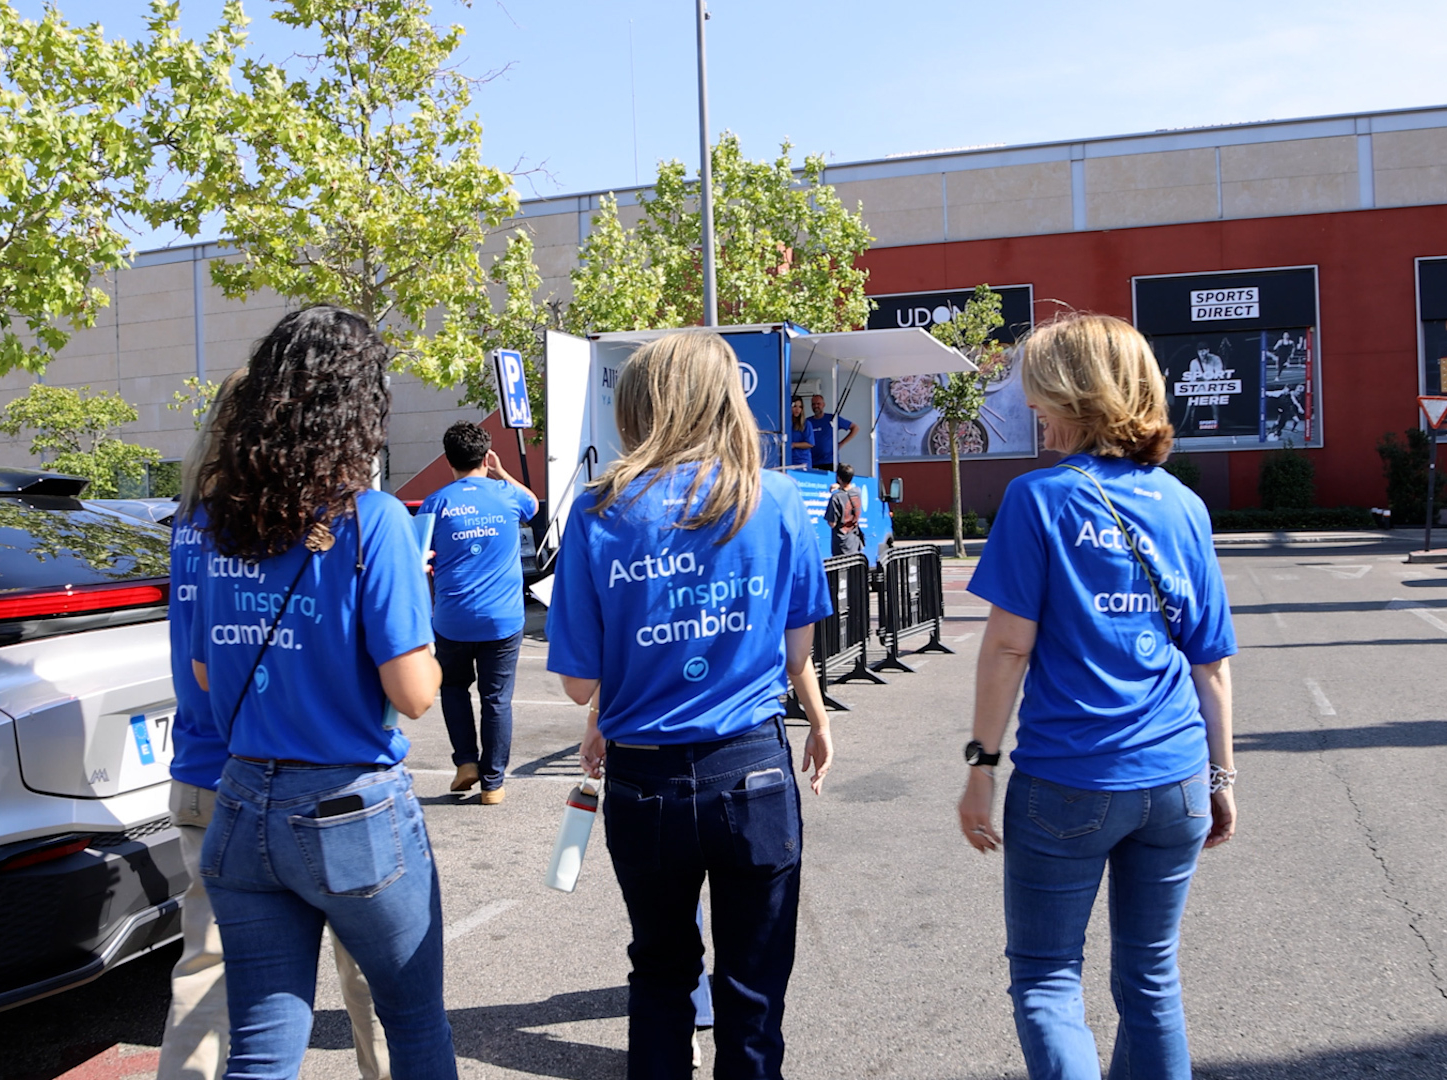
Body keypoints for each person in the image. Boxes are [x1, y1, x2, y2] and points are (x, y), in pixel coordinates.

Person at [546, 330, 835, 1080]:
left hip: (644, 781)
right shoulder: (775, 498)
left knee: (661, 973)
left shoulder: (600, 509)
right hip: (752, 769)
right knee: (753, 992)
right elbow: (797, 653)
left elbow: (579, 683)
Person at [956, 312, 1237, 1080]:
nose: (1029, 406)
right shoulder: (1183, 506)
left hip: (1067, 779)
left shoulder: (1038, 499)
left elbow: (1008, 647)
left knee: (1048, 977)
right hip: (1175, 778)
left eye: (1039, 391)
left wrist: (981, 766)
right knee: (1150, 977)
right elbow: (1210, 664)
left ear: (1080, 395)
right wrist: (1220, 777)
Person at [190, 305, 453, 1079]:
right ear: (359, 408)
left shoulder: (220, 524)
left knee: (261, 1050)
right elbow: (414, 694)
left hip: (242, 803)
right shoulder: (373, 521)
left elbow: (206, 675)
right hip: (349, 811)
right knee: (414, 1026)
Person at [159, 371, 392, 1080]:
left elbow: (202, 658)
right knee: (372, 964)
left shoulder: (193, 522)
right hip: (300, 772)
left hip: (201, 769)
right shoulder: (286, 518)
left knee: (207, 972)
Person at [420, 421, 539, 803]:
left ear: (448, 459)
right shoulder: (507, 495)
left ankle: (466, 763)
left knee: (454, 688)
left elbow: (417, 555)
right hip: (502, 619)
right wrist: (501, 472)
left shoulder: (436, 503)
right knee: (496, 699)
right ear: (486, 457)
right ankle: (493, 784)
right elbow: (533, 504)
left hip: (452, 618)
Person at [806, 392, 856, 471]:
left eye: (818, 404)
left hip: (830, 462)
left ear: (823, 405)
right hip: (813, 462)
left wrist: (842, 443)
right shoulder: (807, 422)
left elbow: (855, 428)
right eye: (813, 404)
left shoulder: (832, 419)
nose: (816, 406)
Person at [824, 463, 865, 557]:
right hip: (855, 541)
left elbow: (832, 523)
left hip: (841, 545)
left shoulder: (836, 498)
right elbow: (849, 489)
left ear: (839, 478)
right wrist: (840, 486)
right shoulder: (857, 491)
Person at [788, 395, 815, 469]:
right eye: (795, 406)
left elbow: (810, 443)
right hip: (788, 459)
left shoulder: (806, 424)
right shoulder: (785, 424)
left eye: (800, 407)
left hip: (802, 460)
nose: (797, 409)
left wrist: (794, 445)